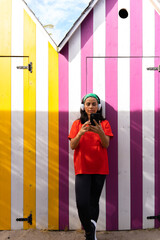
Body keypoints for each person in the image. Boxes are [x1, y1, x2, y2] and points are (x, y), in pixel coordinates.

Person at [68, 93, 113, 240]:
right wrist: (81, 133)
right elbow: (72, 145)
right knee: (82, 203)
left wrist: (99, 130)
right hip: (82, 168)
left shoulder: (105, 123)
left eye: (94, 104)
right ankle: (89, 229)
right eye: (88, 104)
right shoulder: (77, 124)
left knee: (94, 201)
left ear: (98, 107)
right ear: (83, 107)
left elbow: (106, 144)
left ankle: (90, 235)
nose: (91, 107)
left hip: (100, 168)